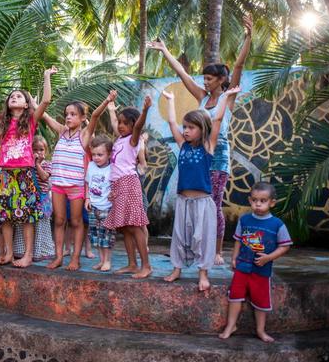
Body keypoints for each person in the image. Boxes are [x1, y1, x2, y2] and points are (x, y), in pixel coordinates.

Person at [147, 15, 253, 265]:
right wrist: (165, 51)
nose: (205, 81)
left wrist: (248, 37)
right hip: (196, 155)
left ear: (222, 80)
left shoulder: (229, 96)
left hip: (217, 156)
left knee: (213, 206)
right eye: (204, 78)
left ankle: (216, 251)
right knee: (192, 203)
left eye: (210, 78)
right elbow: (182, 73)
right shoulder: (202, 98)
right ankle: (193, 248)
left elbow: (237, 67)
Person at [162, 86, 240, 291]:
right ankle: (177, 269)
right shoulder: (183, 145)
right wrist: (170, 100)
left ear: (202, 129)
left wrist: (224, 97)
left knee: (202, 238)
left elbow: (218, 120)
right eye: (185, 127)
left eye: (190, 127)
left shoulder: (208, 147)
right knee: (179, 236)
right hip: (183, 201)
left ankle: (203, 274)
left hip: (202, 202)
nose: (185, 131)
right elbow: (171, 122)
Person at [0, 68, 53, 268]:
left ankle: (27, 255)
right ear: (8, 104)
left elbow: (46, 101)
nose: (14, 97)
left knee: (26, 216)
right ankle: (9, 253)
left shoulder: (32, 120)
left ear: (26, 104)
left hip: (25, 174)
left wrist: (46, 77)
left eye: (19, 96)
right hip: (6, 175)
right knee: (5, 215)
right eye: (12, 96)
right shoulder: (2, 121)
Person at [45, 90, 118, 271]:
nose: (68, 118)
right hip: (58, 185)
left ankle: (75, 258)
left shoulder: (84, 135)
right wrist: (31, 101)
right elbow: (44, 116)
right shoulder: (62, 132)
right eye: (66, 115)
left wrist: (107, 99)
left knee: (77, 222)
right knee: (60, 221)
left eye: (73, 115)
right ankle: (59, 257)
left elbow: (94, 115)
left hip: (76, 186)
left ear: (82, 117)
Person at [219, 182, 292, 342]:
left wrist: (268, 257)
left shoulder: (277, 224)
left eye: (263, 200)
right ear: (250, 200)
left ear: (272, 202)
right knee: (235, 297)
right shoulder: (244, 220)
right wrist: (233, 258)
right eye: (254, 200)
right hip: (242, 267)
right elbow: (238, 241)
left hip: (261, 270)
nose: (258, 204)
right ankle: (231, 325)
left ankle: (260, 330)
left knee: (261, 302)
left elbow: (285, 246)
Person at [103, 97, 153, 279]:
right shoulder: (119, 140)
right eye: (120, 123)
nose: (121, 126)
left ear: (134, 125)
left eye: (126, 123)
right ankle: (132, 264)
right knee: (124, 227)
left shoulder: (134, 140)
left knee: (136, 226)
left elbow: (138, 126)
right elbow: (115, 124)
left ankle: (146, 266)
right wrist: (110, 110)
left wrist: (145, 111)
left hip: (129, 183)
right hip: (117, 185)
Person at [13, 135, 55, 261]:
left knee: (41, 225)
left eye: (41, 150)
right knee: (26, 224)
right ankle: (23, 250)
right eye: (35, 150)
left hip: (41, 200)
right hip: (29, 199)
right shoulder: (26, 164)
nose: (38, 152)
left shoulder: (47, 164)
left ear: (45, 151)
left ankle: (40, 252)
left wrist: (37, 164)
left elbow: (44, 177)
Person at [85, 135, 115, 272]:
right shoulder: (91, 166)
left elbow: (115, 186)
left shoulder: (112, 169)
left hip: (107, 208)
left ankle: (107, 261)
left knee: (106, 236)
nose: (96, 157)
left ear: (109, 154)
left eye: (100, 155)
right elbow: (87, 183)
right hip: (93, 207)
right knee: (95, 235)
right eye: (94, 154)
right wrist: (87, 199)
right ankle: (101, 260)